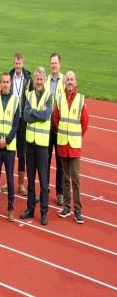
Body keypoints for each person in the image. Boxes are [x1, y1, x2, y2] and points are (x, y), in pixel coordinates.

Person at [55, 71, 89, 224]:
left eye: (71, 80)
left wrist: (75, 135)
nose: (69, 82)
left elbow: (84, 122)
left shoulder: (81, 100)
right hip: (63, 144)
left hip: (74, 146)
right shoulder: (60, 98)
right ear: (65, 82)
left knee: (75, 179)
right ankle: (67, 207)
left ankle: (78, 210)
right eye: (67, 79)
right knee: (65, 178)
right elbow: (56, 119)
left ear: (75, 82)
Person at [20, 67, 53, 226]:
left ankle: (44, 212)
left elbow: (46, 116)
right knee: (31, 180)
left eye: (41, 79)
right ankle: (30, 208)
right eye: (37, 79)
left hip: (41, 145)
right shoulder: (30, 95)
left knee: (44, 181)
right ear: (34, 80)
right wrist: (35, 113)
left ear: (44, 80)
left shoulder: (48, 96)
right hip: (30, 144)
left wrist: (33, 113)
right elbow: (25, 116)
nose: (39, 82)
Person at [0, 73, 19, 221]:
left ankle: (11, 209)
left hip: (9, 148)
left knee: (10, 180)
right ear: (0, 83)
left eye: (8, 82)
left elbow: (15, 125)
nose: (6, 84)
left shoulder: (15, 100)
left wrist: (6, 140)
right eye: (4, 82)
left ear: (10, 83)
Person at [2, 52, 33, 196]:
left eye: (20, 63)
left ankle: (20, 184)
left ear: (23, 63)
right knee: (9, 151)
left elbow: (32, 97)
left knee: (22, 153)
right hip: (11, 118)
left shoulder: (28, 79)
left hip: (23, 121)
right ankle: (9, 182)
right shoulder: (9, 76)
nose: (18, 66)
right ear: (13, 63)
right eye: (16, 63)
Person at [45, 52, 65, 206]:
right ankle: (45, 190)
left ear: (60, 64)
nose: (53, 65)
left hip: (59, 127)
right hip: (46, 127)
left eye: (56, 63)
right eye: (52, 63)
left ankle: (60, 192)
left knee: (60, 162)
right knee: (45, 161)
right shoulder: (45, 81)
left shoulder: (65, 81)